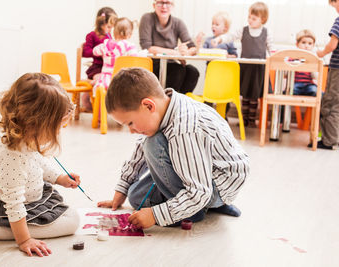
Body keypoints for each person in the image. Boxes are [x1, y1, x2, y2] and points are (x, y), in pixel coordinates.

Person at [98, 68, 249, 229]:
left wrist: (156, 215)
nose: (131, 130)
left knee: (152, 143)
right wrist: (122, 190)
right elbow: (139, 153)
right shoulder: (165, 106)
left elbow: (200, 192)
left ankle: (196, 210)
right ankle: (192, 206)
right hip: (201, 174)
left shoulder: (184, 129)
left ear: (148, 106)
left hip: (216, 185)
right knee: (136, 197)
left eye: (130, 123)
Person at [0, 73, 81, 257]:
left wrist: (59, 179)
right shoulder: (14, 157)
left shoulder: (26, 139)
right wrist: (24, 240)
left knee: (64, 210)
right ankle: (7, 232)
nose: (59, 132)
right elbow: (14, 203)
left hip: (26, 197)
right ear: (38, 123)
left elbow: (39, 163)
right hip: (8, 208)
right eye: (57, 127)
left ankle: (14, 228)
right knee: (72, 222)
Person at [212, 2, 273, 127]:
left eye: (254, 18)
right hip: (246, 67)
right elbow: (230, 36)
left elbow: (271, 48)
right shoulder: (243, 30)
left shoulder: (266, 32)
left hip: (258, 68)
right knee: (245, 94)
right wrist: (219, 39)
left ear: (263, 19)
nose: (250, 20)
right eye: (249, 17)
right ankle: (243, 119)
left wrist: (274, 57)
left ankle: (251, 119)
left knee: (254, 96)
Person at [139, 0, 199, 94]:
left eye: (167, 3)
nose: (164, 6)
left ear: (172, 6)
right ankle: (167, 101)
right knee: (178, 70)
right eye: (160, 3)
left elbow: (193, 47)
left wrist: (186, 52)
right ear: (154, 5)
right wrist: (176, 53)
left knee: (193, 72)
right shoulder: (147, 18)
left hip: (172, 63)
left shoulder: (178, 23)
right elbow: (147, 47)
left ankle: (180, 101)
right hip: (154, 64)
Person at [313, 0, 339, 150]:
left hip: (337, 69)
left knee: (330, 102)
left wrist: (320, 53)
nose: (334, 8)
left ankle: (329, 141)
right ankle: (335, 137)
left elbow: (332, 45)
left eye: (334, 4)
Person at [81, 7, 117, 111]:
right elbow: (86, 51)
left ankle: (109, 107)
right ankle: (92, 83)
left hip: (108, 68)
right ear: (101, 23)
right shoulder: (91, 35)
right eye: (109, 27)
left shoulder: (109, 37)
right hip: (97, 68)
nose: (111, 30)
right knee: (98, 84)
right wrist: (99, 51)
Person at [92, 17, 138, 91]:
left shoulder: (106, 44)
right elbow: (135, 60)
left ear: (114, 32)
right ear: (129, 34)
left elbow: (95, 51)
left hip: (104, 83)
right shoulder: (129, 46)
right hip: (121, 83)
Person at [294, 29, 318, 96]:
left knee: (315, 91)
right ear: (297, 44)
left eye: (310, 43)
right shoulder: (293, 57)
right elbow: (286, 74)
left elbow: (315, 77)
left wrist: (312, 66)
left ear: (313, 46)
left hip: (308, 84)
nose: (306, 46)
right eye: (303, 42)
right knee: (291, 90)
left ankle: (319, 106)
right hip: (295, 84)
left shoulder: (313, 59)